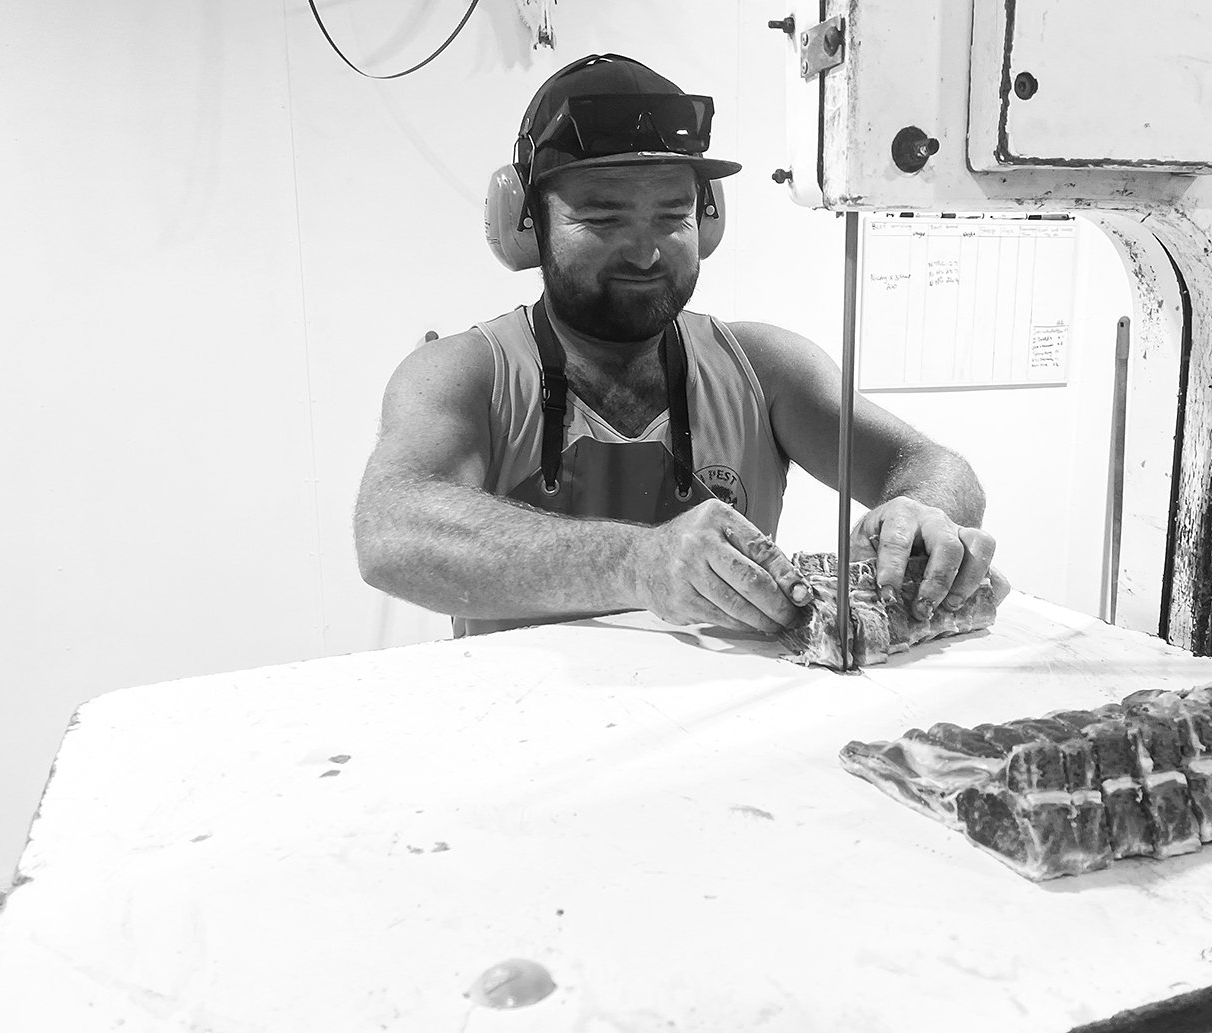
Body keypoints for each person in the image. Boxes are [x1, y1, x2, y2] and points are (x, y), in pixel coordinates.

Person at [355, 53, 1004, 638]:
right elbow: (391, 529)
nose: (644, 251)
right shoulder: (465, 374)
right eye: (602, 217)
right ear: (528, 222)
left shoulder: (765, 369)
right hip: (527, 740)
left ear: (707, 218)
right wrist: (639, 562)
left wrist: (921, 516)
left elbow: (934, 465)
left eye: (672, 215)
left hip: (727, 742)